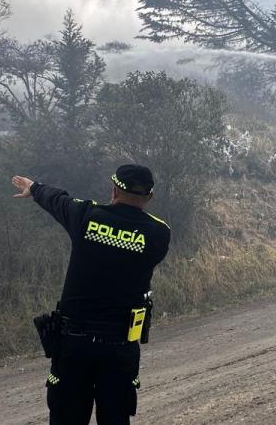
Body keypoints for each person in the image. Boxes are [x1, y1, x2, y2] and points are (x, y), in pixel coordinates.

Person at [11, 164, 171, 425]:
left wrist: (34, 188)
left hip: (74, 344)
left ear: (114, 190)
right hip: (120, 346)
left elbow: (58, 201)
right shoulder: (159, 233)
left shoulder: (86, 215)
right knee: (116, 418)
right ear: (149, 197)